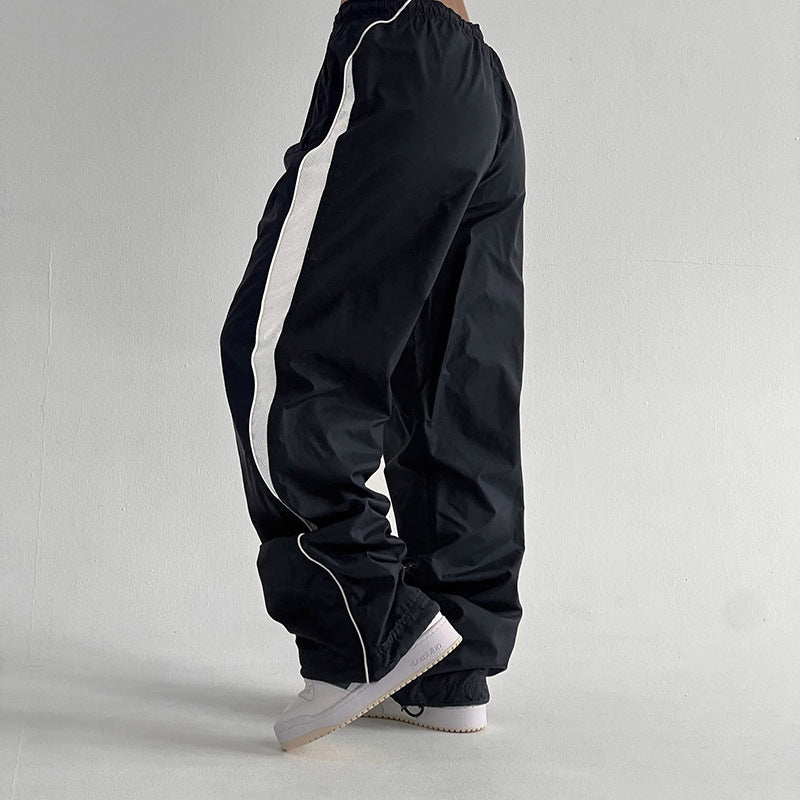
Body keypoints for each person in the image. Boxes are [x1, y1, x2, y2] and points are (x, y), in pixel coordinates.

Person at [219, 0, 526, 751]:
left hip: (402, 49)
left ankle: (366, 627)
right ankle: (445, 670)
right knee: (451, 379)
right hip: (477, 80)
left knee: (280, 360)